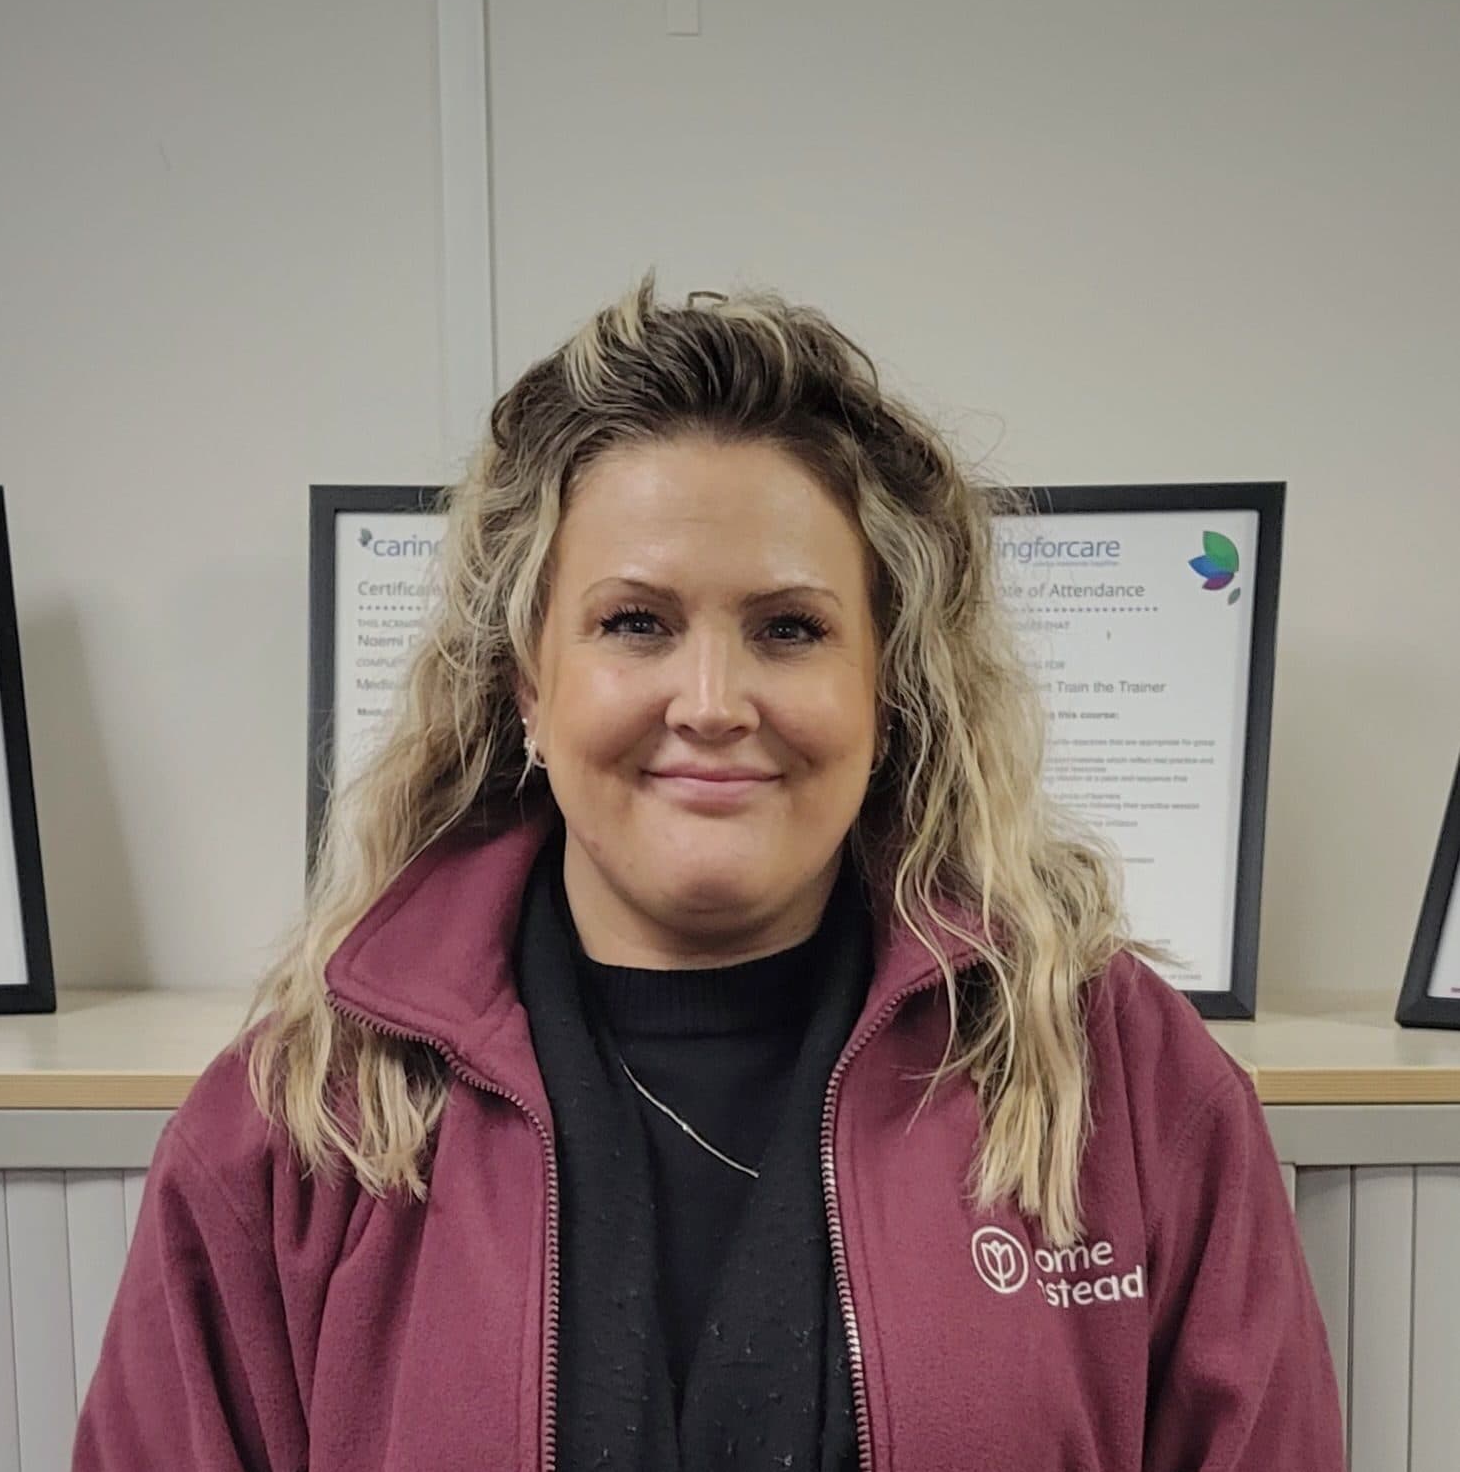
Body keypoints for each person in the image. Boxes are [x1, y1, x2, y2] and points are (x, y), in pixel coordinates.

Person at [73, 274, 1344, 1471]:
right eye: (636, 622)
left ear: (886, 686)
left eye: (790, 628)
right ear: (529, 680)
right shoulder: (302, 1116)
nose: (713, 701)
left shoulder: (1117, 1078)